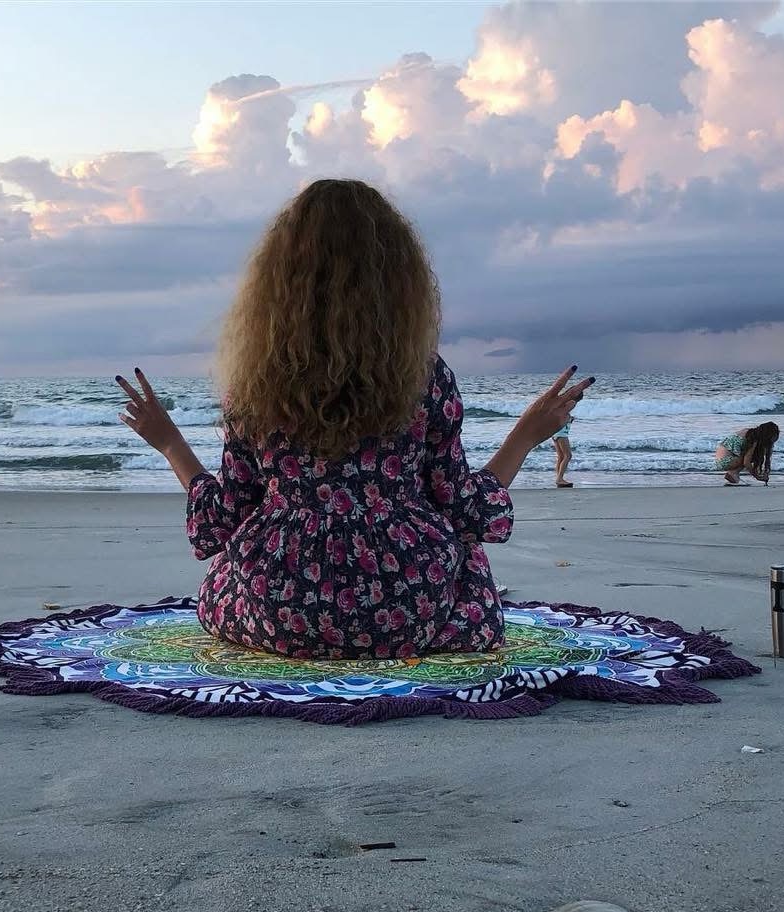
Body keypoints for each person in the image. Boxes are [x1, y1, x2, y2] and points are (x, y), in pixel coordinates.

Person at [115, 179, 594, 660]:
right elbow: (466, 510)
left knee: (222, 577)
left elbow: (223, 518)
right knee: (467, 562)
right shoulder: (424, 377)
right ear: (398, 279)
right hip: (407, 607)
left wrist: (171, 444)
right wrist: (525, 436)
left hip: (279, 611)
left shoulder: (256, 381)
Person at [714, 422, 780, 485]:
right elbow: (746, 462)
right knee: (752, 456)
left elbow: (767, 458)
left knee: (752, 454)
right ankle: (733, 473)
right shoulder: (753, 438)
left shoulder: (750, 432)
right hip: (725, 461)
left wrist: (766, 472)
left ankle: (733, 473)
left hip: (721, 460)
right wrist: (757, 477)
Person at [552, 416, 575, 488]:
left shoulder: (558, 411)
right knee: (568, 455)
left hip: (556, 432)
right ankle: (559, 479)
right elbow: (562, 419)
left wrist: (570, 419)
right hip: (561, 433)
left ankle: (559, 478)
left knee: (561, 457)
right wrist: (569, 419)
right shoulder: (563, 411)